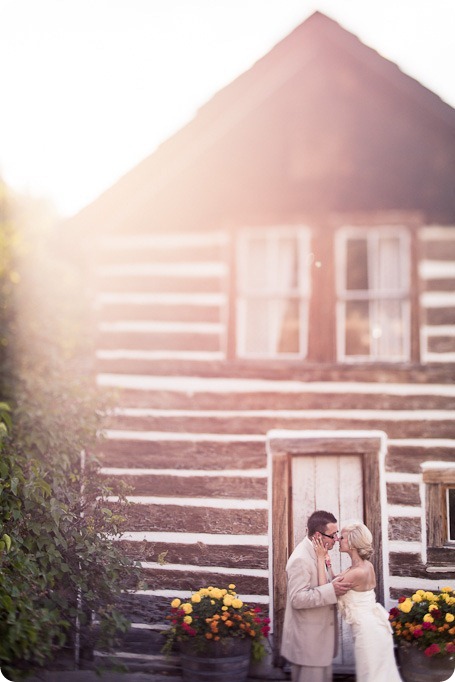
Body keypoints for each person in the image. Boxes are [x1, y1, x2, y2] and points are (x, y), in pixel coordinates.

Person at [313, 521, 402, 682]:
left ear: (353, 543)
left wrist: (319, 558)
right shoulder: (363, 565)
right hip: (374, 626)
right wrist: (328, 563)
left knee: (371, 677)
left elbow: (323, 590)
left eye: (343, 537)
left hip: (369, 632)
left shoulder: (358, 572)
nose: (338, 539)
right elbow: (336, 581)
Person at [280, 510, 352, 682]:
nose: (336, 539)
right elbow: (298, 599)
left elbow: (325, 583)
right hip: (308, 643)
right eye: (333, 534)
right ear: (318, 535)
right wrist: (331, 591)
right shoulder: (301, 559)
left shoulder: (319, 553)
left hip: (318, 642)